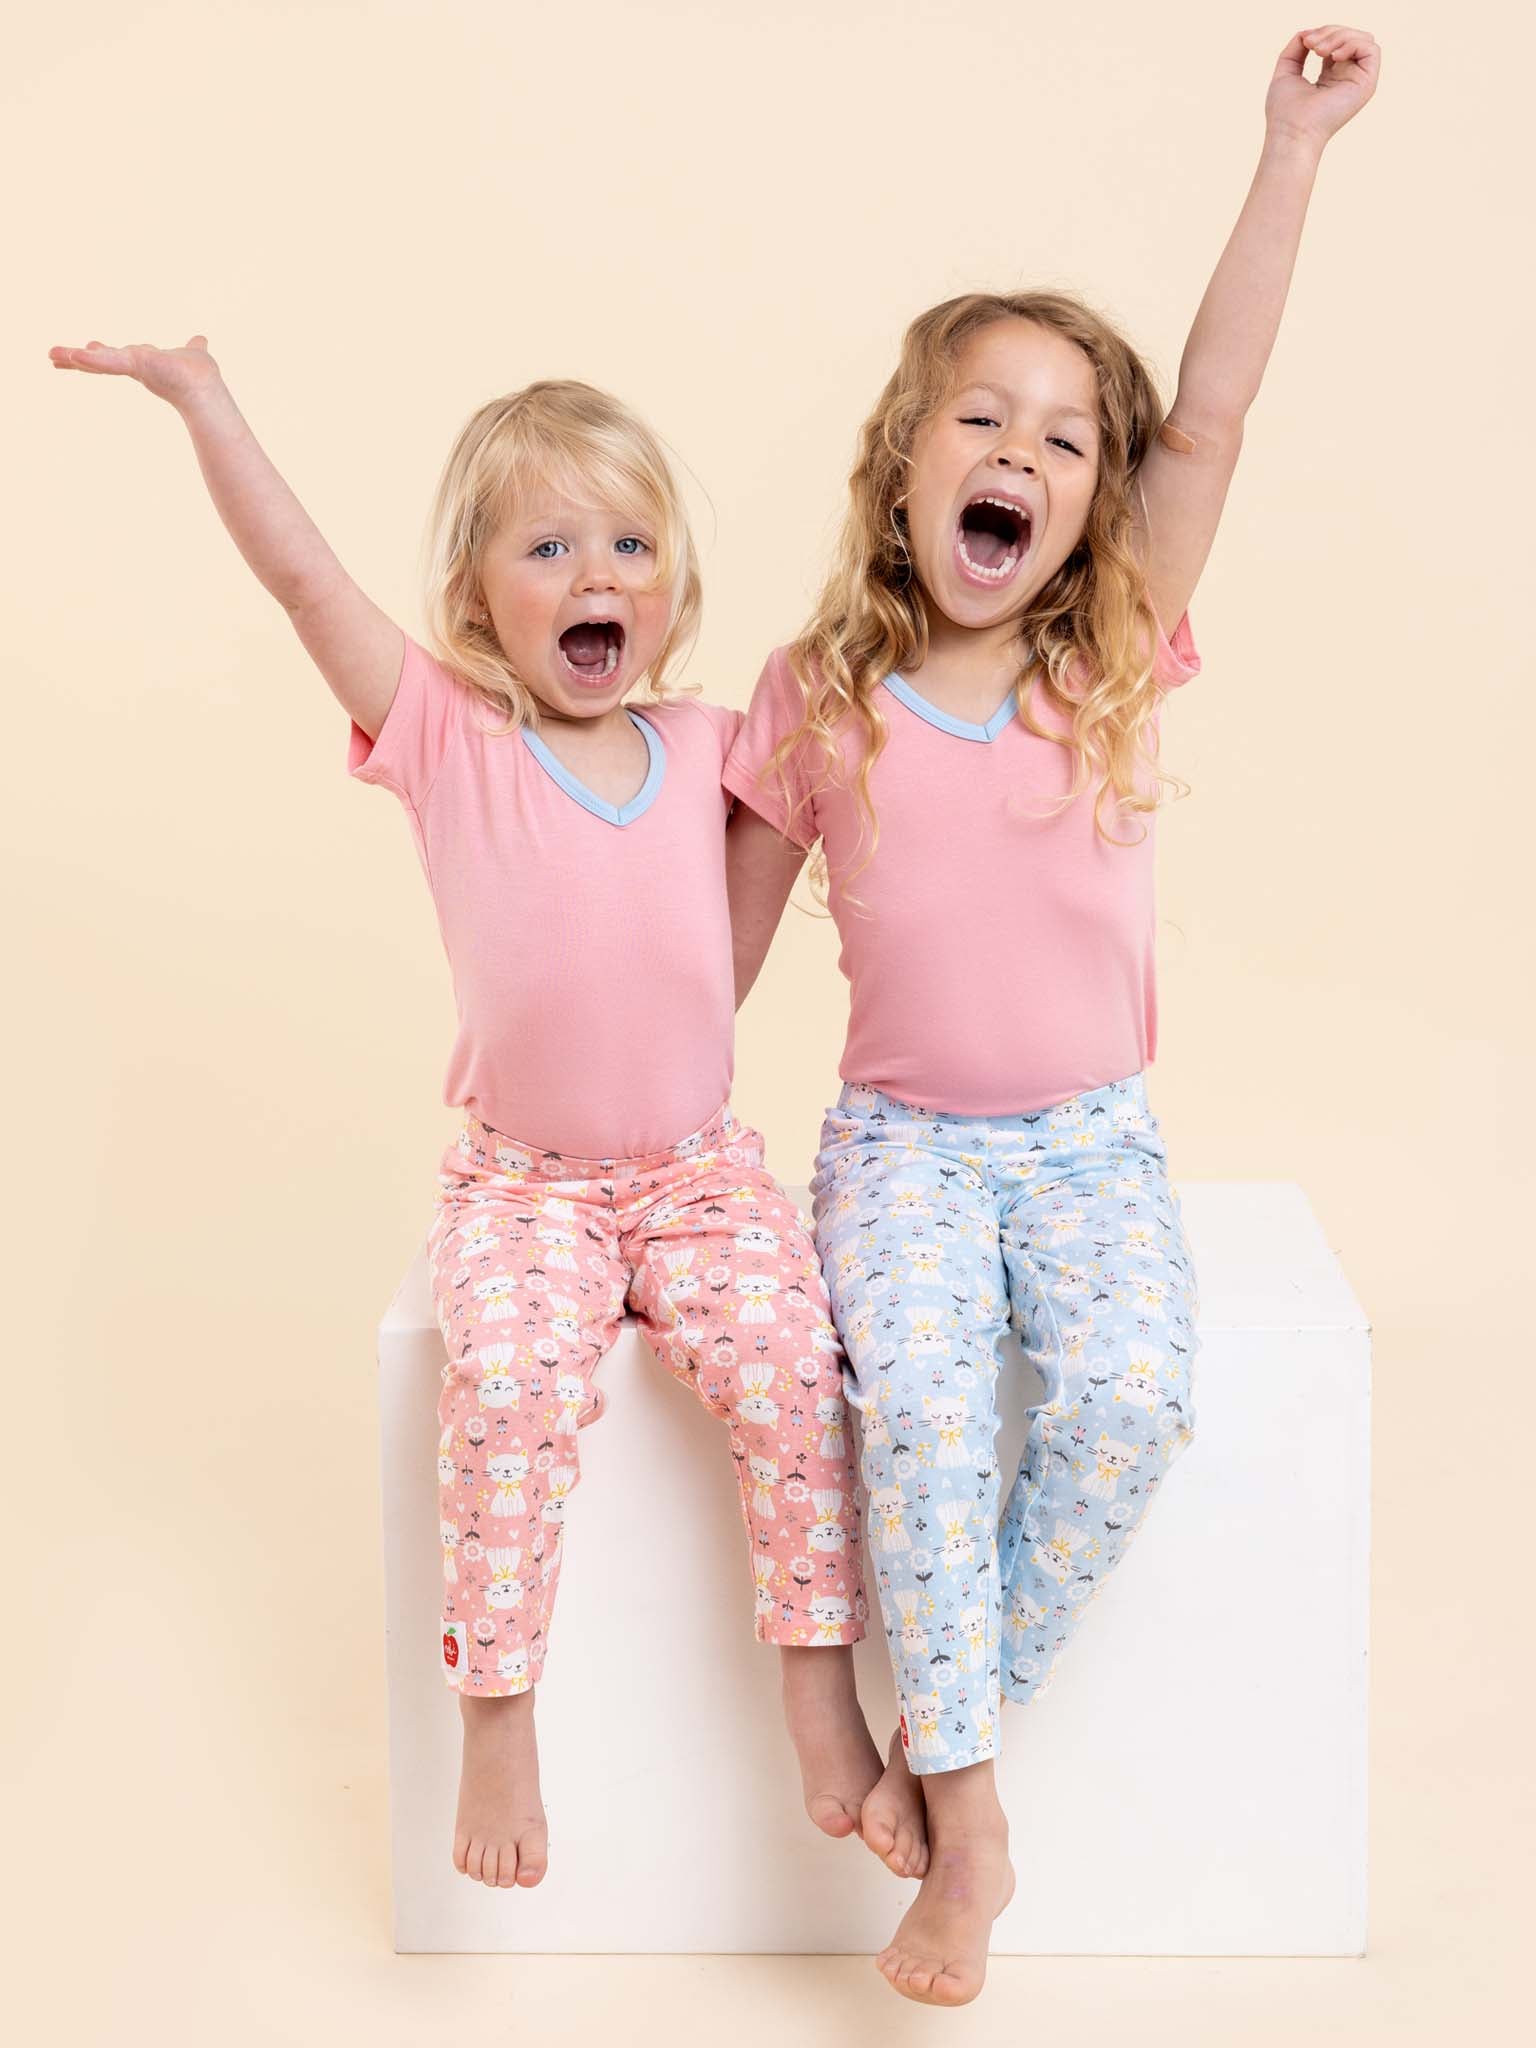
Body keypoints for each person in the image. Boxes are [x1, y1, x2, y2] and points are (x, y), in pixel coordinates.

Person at [46, 345, 908, 1890]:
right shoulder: (453, 741)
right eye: (551, 546)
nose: (599, 574)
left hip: (702, 1177)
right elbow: (307, 584)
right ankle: (498, 1707)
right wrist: (207, 405)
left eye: (632, 546)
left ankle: (816, 1684)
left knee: (796, 1368)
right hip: (531, 1191)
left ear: (673, 590)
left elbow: (847, 690)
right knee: (503, 1386)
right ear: (475, 599)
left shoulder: (713, 744)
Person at [722, 23, 1381, 2005]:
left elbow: (1221, 419)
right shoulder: (815, 694)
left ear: (1096, 507)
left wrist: (1291, 153)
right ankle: (974, 1817)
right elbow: (712, 961)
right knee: (912, 1402)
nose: (1017, 451)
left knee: (1127, 1399)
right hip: (904, 1148)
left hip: (1091, 1136)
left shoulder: (1105, 660)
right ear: (903, 464)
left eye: (1063, 435)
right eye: (979, 419)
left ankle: (931, 1724)